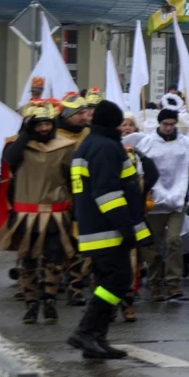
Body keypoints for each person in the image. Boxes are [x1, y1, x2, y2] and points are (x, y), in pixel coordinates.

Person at [66, 100, 153, 359]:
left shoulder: (92, 144)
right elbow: (107, 193)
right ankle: (86, 331)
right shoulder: (105, 147)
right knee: (117, 280)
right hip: (107, 228)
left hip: (98, 226)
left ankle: (96, 336)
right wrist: (125, 226)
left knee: (111, 280)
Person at [0, 102, 77, 325]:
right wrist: (24, 135)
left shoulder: (66, 146)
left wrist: (76, 207)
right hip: (26, 213)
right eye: (39, 124)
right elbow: (8, 163)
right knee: (29, 260)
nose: (44, 129)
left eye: (47, 124)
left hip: (56, 213)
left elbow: (73, 179)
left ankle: (50, 300)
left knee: (54, 259)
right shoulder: (17, 147)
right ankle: (31, 304)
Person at [137, 108, 189, 302]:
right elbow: (141, 170)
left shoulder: (185, 142)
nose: (169, 128)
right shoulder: (148, 142)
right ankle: (154, 284)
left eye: (172, 124)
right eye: (165, 124)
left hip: (178, 198)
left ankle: (173, 282)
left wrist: (187, 193)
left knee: (173, 240)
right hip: (155, 201)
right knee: (153, 245)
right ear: (159, 124)